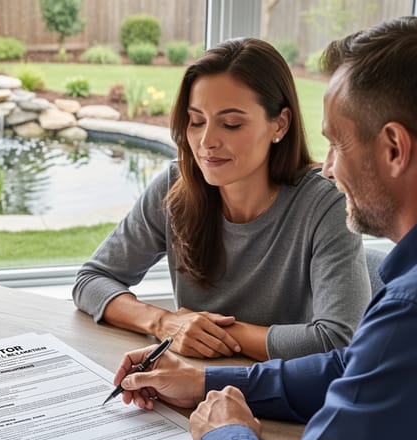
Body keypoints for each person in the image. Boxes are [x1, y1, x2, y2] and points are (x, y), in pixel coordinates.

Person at [113, 16, 417, 440]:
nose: (330, 168)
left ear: (394, 148)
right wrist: (207, 383)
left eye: (337, 143)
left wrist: (227, 436)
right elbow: (354, 366)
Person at [73, 38, 369, 362]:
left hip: (297, 393)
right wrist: (165, 322)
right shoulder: (175, 188)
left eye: (231, 124)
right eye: (197, 121)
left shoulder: (325, 204)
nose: (207, 141)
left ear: (279, 124)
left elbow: (339, 340)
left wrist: (212, 333)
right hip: (205, 381)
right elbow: (92, 280)